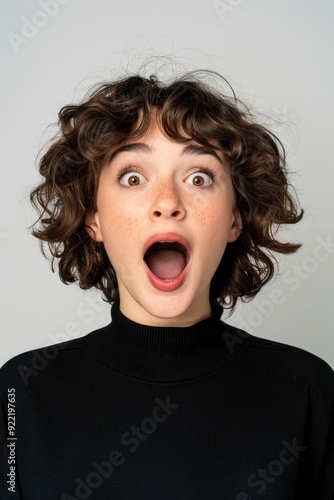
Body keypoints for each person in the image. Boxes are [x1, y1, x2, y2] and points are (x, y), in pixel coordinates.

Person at [0, 70, 333, 499]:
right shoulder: (19, 394)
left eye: (199, 177)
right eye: (133, 177)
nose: (167, 203)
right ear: (93, 217)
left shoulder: (307, 390)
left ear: (235, 218)